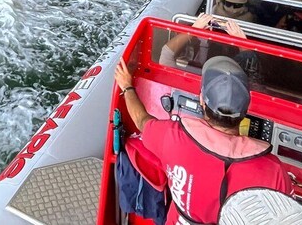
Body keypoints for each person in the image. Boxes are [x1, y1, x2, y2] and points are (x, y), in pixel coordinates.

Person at [115, 49, 292, 225]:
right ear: (246, 109)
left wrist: (127, 86)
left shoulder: (172, 137)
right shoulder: (274, 170)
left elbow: (142, 120)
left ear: (201, 100)